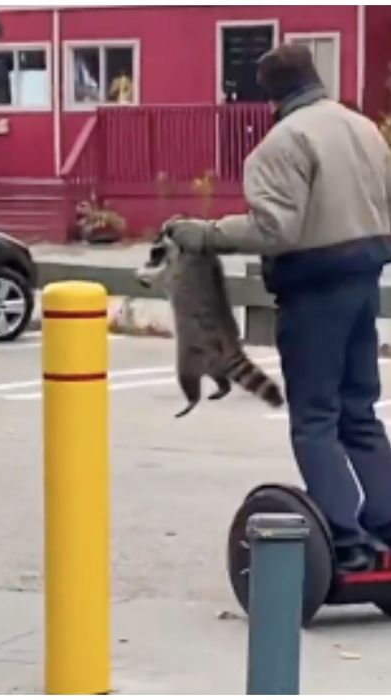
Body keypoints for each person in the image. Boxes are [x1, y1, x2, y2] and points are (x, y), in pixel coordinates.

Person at [165, 44, 391, 572]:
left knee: (314, 417)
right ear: (314, 75)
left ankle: (348, 539)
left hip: (313, 290)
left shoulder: (279, 145)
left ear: (267, 93)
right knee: (359, 411)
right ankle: (386, 521)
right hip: (365, 278)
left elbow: (276, 229)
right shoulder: (362, 130)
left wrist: (205, 234)